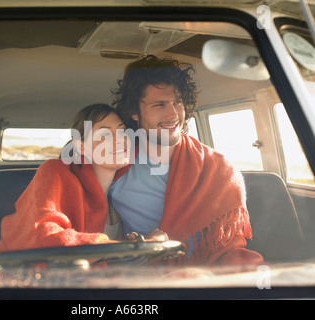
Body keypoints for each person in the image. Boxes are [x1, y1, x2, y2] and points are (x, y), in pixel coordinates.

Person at [109, 55, 264, 266]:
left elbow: (230, 247)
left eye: (177, 102)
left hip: (205, 281)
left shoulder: (219, 167)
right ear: (134, 112)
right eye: (159, 105)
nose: (173, 114)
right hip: (139, 279)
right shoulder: (115, 166)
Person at [0, 103, 130, 252]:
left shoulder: (123, 190)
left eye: (122, 131)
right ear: (81, 147)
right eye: (104, 134)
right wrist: (127, 247)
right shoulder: (54, 171)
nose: (119, 139)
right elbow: (44, 238)